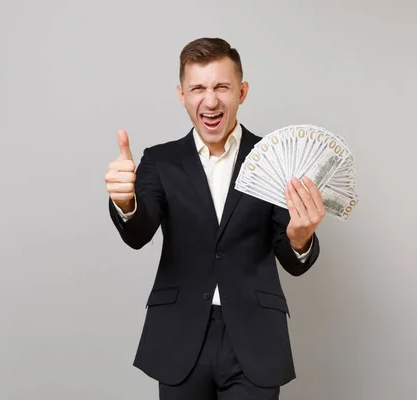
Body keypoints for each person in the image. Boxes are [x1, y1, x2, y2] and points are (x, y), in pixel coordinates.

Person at [105, 37, 325, 400]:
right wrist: (126, 203)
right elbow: (139, 232)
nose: (210, 100)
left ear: (242, 91)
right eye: (198, 88)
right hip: (180, 336)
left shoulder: (275, 158)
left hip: (254, 339)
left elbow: (293, 258)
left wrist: (301, 238)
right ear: (182, 95)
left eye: (222, 86)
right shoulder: (160, 161)